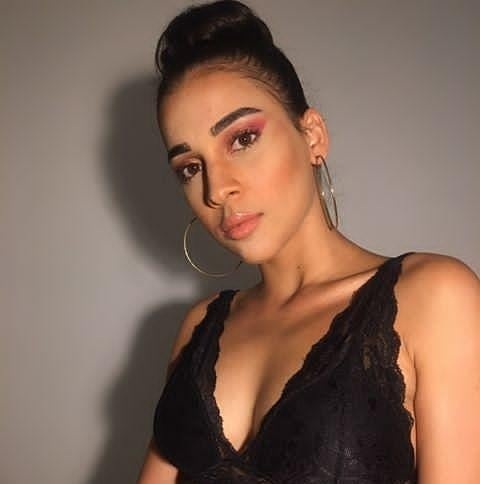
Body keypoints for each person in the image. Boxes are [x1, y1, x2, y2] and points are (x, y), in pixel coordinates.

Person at [137, 1, 480, 482]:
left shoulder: (435, 296)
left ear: (312, 135)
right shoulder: (200, 327)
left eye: (242, 139)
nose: (217, 189)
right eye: (191, 167)